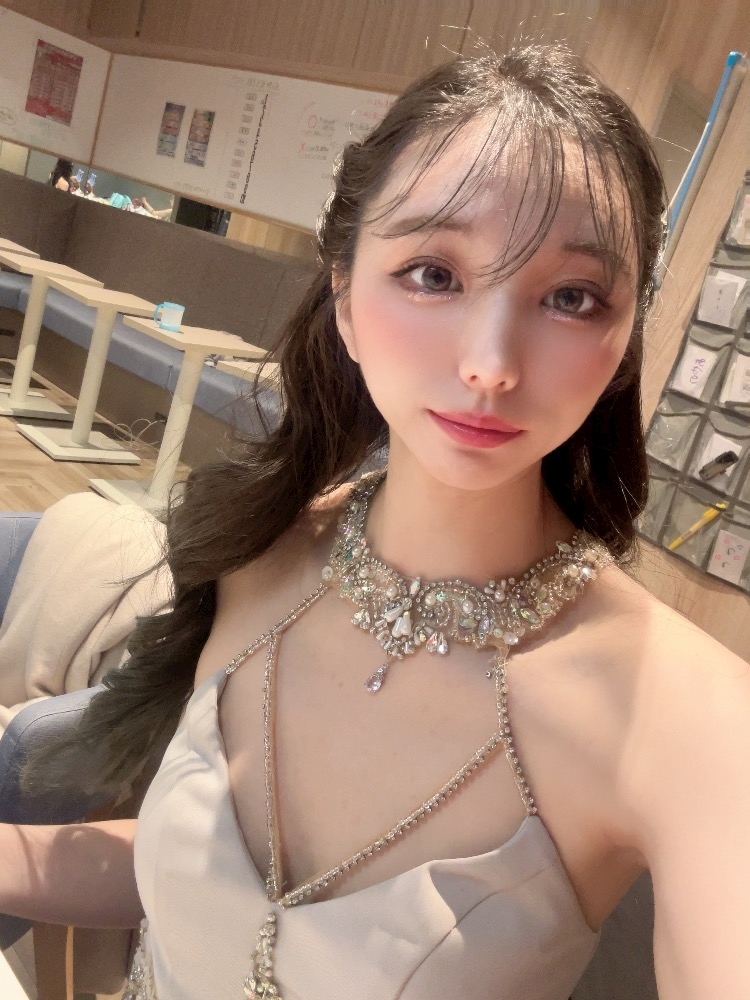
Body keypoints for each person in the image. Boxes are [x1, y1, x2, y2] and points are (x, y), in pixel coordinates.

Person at [2, 43, 749, 1000]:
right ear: (345, 296)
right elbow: (199, 893)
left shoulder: (692, 721)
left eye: (571, 298)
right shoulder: (260, 553)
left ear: (625, 337)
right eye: (434, 274)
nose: (490, 365)